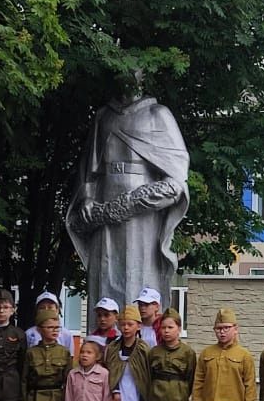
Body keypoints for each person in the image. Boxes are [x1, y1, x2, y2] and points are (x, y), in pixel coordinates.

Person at [66, 88, 191, 318]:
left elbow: (176, 177)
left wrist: (135, 202)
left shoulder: (158, 114)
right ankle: (103, 339)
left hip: (142, 212)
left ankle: (140, 336)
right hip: (103, 205)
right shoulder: (104, 115)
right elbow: (89, 170)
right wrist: (87, 197)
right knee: (105, 274)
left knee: (139, 274)